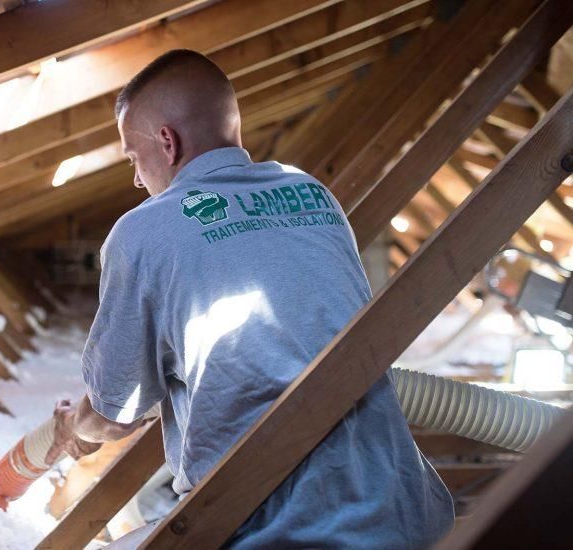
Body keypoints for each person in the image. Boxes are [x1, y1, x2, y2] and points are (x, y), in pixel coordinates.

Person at [47, 49, 455, 547]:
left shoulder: (144, 232)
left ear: (167, 142)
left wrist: (73, 427)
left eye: (134, 158)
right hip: (405, 512)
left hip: (277, 530)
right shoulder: (311, 195)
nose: (136, 178)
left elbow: (116, 410)